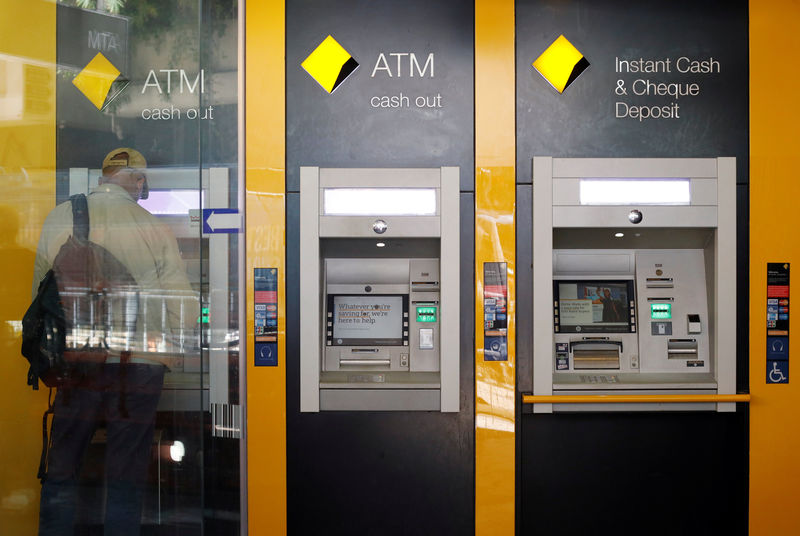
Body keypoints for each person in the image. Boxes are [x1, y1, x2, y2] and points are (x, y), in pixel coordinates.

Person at [33, 148, 198, 535]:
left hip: (78, 362)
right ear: (137, 180)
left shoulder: (58, 217)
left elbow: (40, 298)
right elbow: (184, 306)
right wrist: (165, 357)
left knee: (63, 467)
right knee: (125, 471)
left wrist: (51, 357)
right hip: (137, 365)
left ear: (103, 176)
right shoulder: (152, 226)